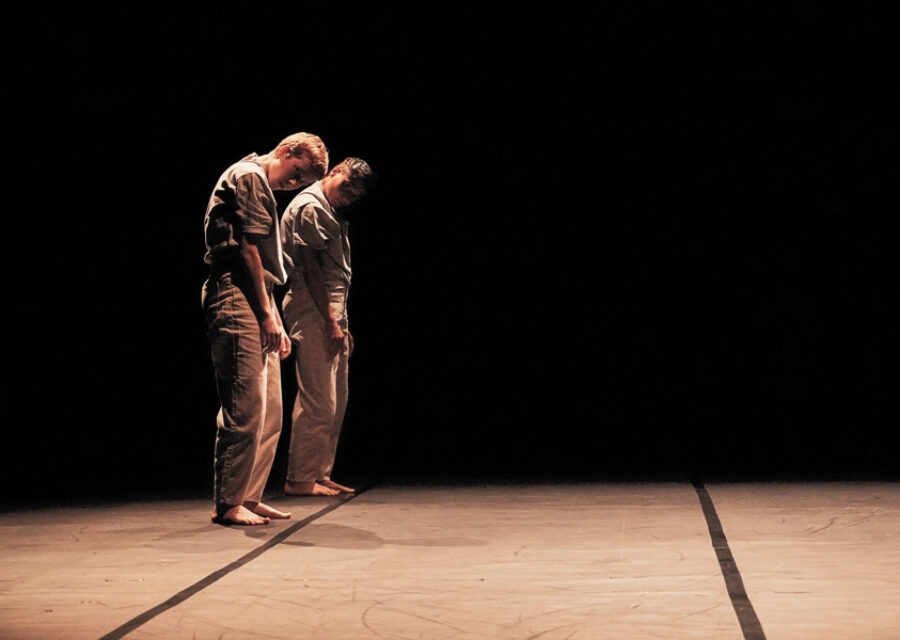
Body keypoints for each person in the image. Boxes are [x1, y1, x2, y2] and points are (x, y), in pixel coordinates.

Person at [202, 132, 329, 524]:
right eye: (297, 172)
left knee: (270, 408)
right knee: (246, 404)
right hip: (236, 291)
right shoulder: (250, 175)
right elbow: (249, 250)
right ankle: (228, 502)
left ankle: (249, 495)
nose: (295, 183)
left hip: (258, 294)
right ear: (286, 151)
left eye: (304, 182)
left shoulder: (256, 180)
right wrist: (266, 314)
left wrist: (272, 314)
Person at [280, 157, 375, 496]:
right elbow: (311, 268)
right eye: (346, 186)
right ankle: (300, 478)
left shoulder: (328, 209)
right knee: (319, 396)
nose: (347, 195)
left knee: (336, 398)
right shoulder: (311, 207)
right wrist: (330, 321)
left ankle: (319, 473)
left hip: (330, 307)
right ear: (334, 171)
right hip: (313, 305)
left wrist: (340, 321)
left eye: (354, 194)